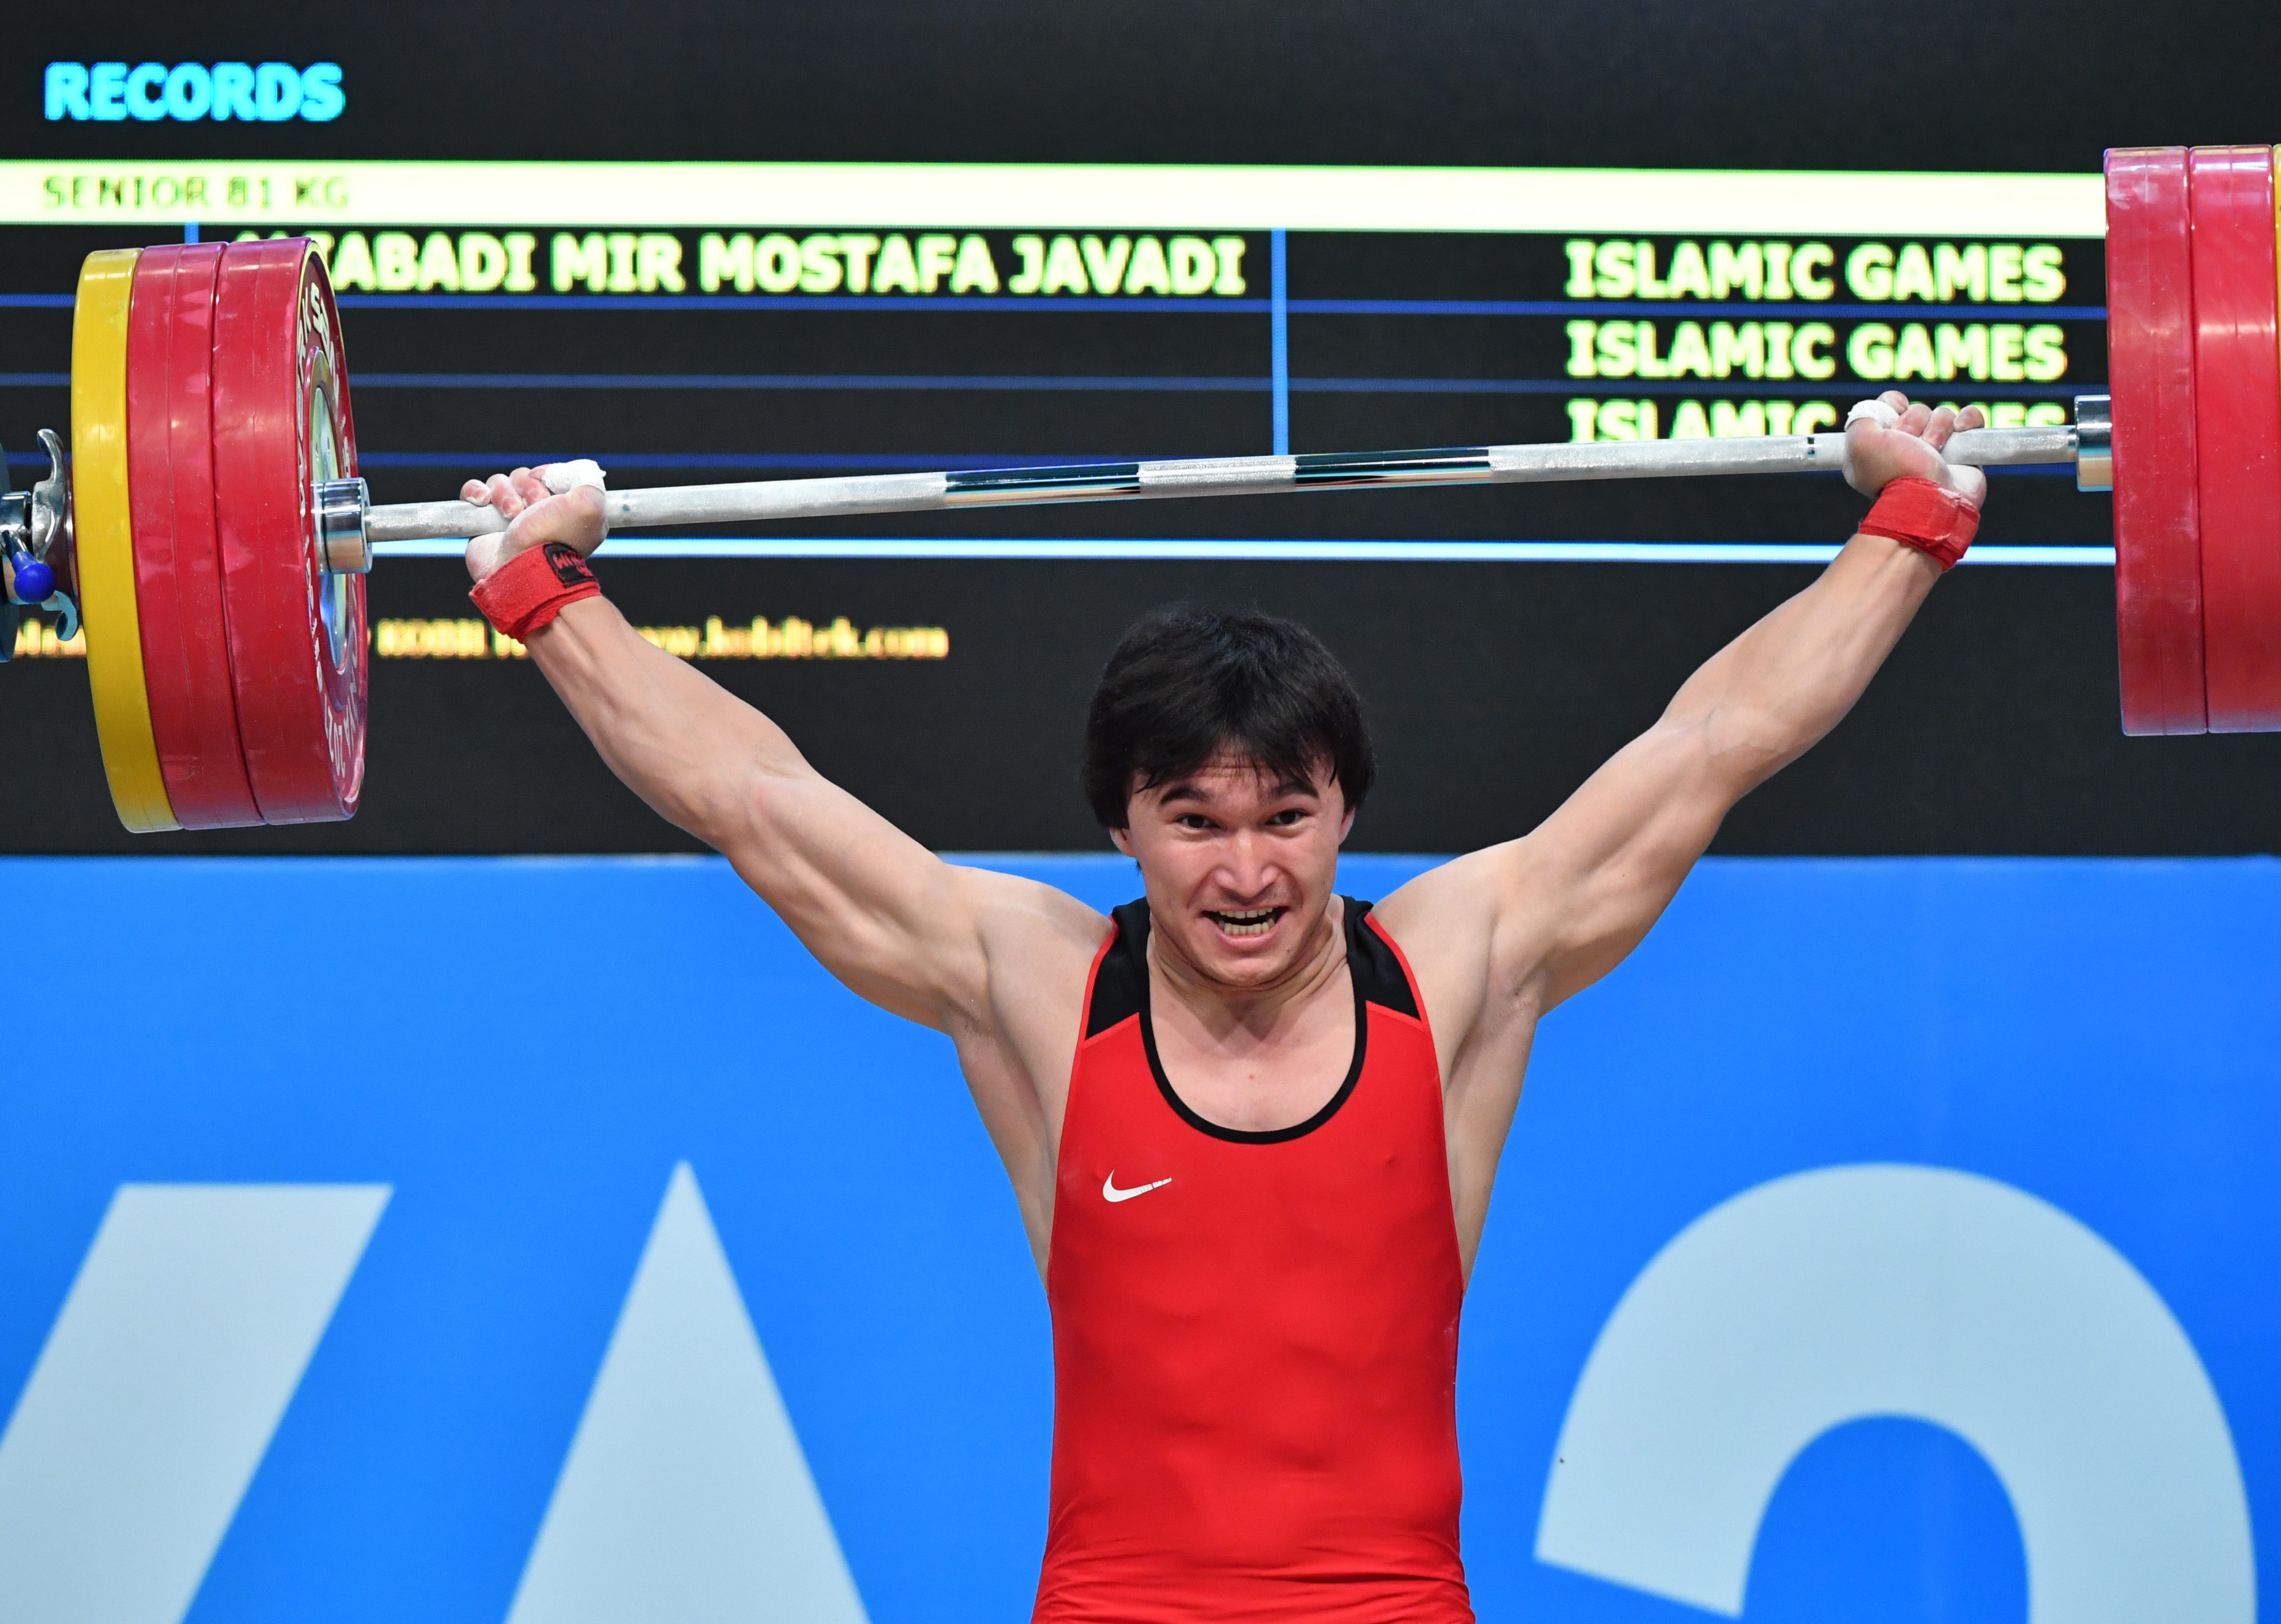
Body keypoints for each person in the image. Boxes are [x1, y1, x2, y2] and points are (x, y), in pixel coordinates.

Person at [458, 392, 1988, 1624]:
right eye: (1194, 821)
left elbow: (1713, 742)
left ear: (1345, 814)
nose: (1246, 871)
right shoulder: (1041, 988)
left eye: (1286, 818)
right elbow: (755, 799)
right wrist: (546, 590)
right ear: (1122, 825)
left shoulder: (1451, 969)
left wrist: (1909, 522)